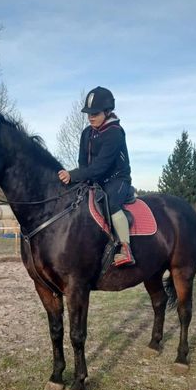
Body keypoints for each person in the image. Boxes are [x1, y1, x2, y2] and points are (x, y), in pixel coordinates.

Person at [58, 86, 135, 266]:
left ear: (107, 112)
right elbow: (83, 162)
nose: (90, 117)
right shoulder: (87, 133)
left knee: (111, 202)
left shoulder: (115, 133)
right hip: (94, 178)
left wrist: (72, 175)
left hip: (117, 179)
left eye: (95, 113)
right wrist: (79, 178)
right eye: (88, 113)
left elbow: (100, 167)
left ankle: (126, 249)